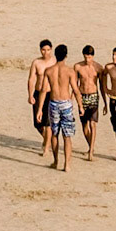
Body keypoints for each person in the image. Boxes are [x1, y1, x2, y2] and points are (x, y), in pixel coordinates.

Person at [42, 44, 83, 172]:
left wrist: (39, 109)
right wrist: (80, 106)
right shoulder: (70, 71)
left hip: (54, 103)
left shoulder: (48, 71)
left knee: (55, 134)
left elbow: (44, 90)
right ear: (66, 56)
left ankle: (55, 161)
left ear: (55, 55)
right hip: (66, 103)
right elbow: (76, 90)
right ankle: (67, 165)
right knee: (67, 135)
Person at [74, 45, 102, 162]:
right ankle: (91, 145)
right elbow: (74, 84)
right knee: (84, 125)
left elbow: (102, 86)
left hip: (94, 96)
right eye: (85, 57)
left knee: (93, 124)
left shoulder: (99, 68)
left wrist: (105, 101)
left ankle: (91, 150)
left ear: (93, 56)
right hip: (82, 96)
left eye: (89, 57)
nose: (87, 60)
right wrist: (72, 98)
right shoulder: (78, 67)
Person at [27, 39, 54, 145]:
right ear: (40, 50)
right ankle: (47, 140)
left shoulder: (54, 62)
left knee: (48, 122)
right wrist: (30, 95)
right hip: (38, 92)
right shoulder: (36, 62)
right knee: (37, 123)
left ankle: (47, 145)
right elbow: (31, 79)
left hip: (50, 94)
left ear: (51, 50)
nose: (45, 52)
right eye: (43, 50)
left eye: (48, 50)